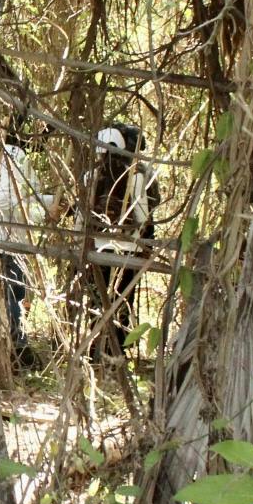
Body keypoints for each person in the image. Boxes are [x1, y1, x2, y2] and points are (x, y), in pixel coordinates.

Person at [87, 123, 160, 344]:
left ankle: (95, 345)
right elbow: (144, 214)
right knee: (123, 298)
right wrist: (146, 243)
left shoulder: (91, 175)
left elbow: (83, 215)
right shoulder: (137, 175)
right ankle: (117, 345)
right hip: (130, 246)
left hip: (99, 245)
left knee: (97, 299)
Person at [0, 131, 55, 358]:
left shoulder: (17, 156)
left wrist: (50, 205)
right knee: (10, 297)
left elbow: (30, 196)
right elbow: (6, 199)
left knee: (17, 295)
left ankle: (17, 343)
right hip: (1, 243)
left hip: (17, 243)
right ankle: (18, 346)